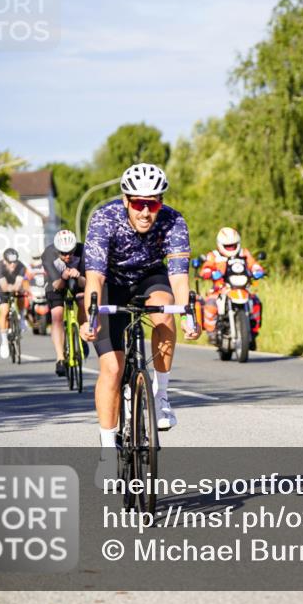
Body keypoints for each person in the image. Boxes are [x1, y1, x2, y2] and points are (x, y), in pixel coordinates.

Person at [80, 163, 198, 471]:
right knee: (112, 368)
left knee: (165, 312)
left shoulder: (173, 221)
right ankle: (107, 453)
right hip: (111, 284)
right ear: (126, 201)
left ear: (160, 202)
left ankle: (161, 398)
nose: (145, 212)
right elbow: (94, 277)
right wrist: (90, 317)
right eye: (138, 204)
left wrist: (187, 315)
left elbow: (179, 279)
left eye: (153, 203)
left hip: (149, 277)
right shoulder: (104, 219)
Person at [198, 227, 264, 347]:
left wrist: (257, 270)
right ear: (220, 244)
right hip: (220, 289)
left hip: (241, 287)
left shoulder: (244, 253)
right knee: (210, 304)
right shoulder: (214, 255)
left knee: (255, 302)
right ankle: (212, 332)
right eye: (228, 246)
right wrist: (209, 272)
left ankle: (253, 332)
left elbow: (253, 264)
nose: (231, 248)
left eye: (233, 245)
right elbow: (206, 268)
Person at [43, 229, 87, 376]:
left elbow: (88, 282)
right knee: (57, 315)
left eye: (71, 252)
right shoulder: (48, 254)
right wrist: (63, 276)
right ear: (57, 250)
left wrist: (79, 276)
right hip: (56, 282)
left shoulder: (83, 251)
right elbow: (57, 285)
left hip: (78, 282)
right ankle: (60, 358)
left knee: (82, 302)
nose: (67, 256)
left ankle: (82, 335)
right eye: (63, 253)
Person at [0, 248, 28, 358]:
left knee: (22, 294)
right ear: (4, 261)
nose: (13, 265)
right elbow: (4, 287)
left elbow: (18, 285)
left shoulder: (21, 266)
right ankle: (4, 341)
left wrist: (17, 288)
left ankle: (22, 317)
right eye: (10, 262)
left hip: (14, 286)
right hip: (2, 290)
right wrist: (13, 287)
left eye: (15, 262)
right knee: (4, 311)